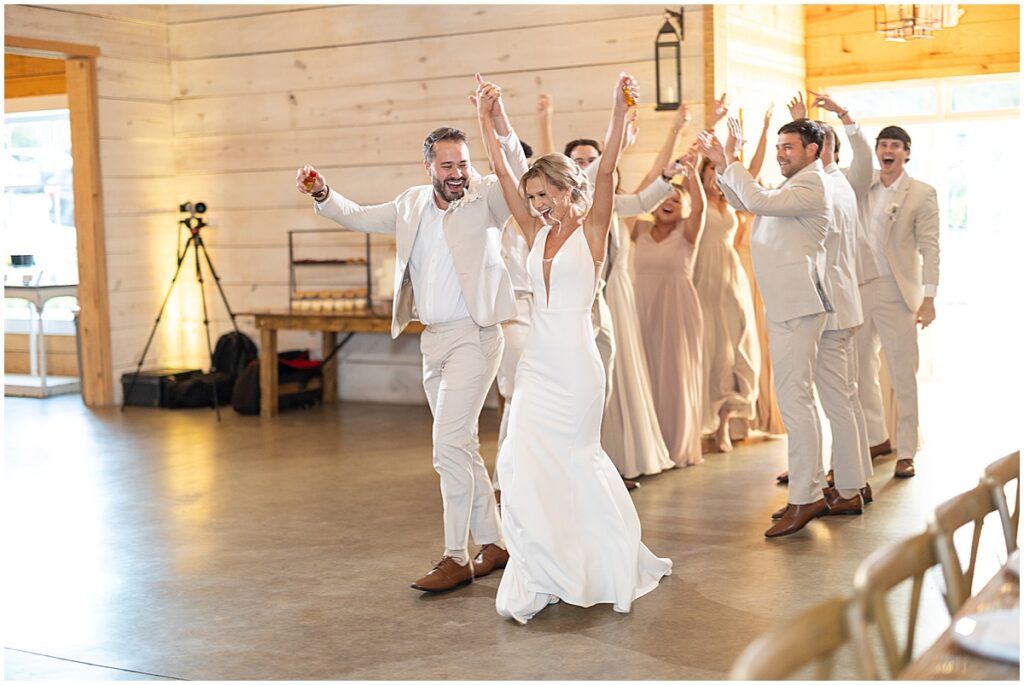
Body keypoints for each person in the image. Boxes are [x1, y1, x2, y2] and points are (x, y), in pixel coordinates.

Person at [295, 74, 527, 593]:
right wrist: (323, 193)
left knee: (445, 446)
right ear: (429, 167)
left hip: (477, 335)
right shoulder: (410, 204)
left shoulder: (489, 197)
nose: (457, 174)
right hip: (433, 340)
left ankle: (455, 556)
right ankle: (497, 543)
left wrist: (497, 115)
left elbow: (517, 169)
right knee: (461, 446)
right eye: (447, 165)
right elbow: (356, 216)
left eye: (463, 164)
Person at [477, 73, 671, 625]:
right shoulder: (533, 231)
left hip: (578, 366)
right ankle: (544, 565)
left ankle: (600, 561)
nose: (536, 203)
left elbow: (606, 169)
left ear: (567, 190)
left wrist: (616, 110)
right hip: (538, 364)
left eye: (545, 194)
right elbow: (502, 172)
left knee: (575, 461)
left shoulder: (593, 229)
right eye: (532, 195)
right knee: (518, 460)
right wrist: (486, 119)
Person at [536, 93, 679, 483]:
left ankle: (596, 463)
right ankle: (572, 467)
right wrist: (549, 118)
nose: (585, 167)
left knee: (605, 383)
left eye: (590, 159)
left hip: (605, 302)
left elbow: (644, 200)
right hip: (572, 313)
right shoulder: (553, 214)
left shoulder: (608, 204)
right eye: (578, 161)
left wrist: (668, 175)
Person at [700, 119, 833, 538]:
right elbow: (746, 201)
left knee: (796, 401)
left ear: (813, 150)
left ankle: (807, 497)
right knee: (796, 400)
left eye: (788, 147)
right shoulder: (792, 186)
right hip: (785, 305)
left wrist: (732, 159)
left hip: (798, 306)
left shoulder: (812, 186)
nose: (780, 153)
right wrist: (723, 165)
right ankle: (805, 490)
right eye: (778, 146)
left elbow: (755, 200)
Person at [821, 95, 939, 479]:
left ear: (906, 154)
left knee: (903, 372)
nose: (888, 151)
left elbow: (930, 247)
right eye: (883, 145)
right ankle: (875, 439)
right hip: (856, 289)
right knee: (858, 371)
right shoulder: (860, 184)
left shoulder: (921, 193)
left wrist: (929, 299)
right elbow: (842, 160)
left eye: (895, 146)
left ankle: (907, 450)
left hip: (897, 292)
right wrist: (843, 120)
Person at [692, 105, 769, 453]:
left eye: (716, 171)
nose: (713, 178)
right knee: (711, 350)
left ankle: (725, 422)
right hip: (702, 277)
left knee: (736, 347)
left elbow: (748, 173)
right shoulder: (694, 203)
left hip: (731, 278)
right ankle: (702, 423)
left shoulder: (731, 203)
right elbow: (689, 164)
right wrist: (712, 123)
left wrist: (764, 132)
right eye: (709, 170)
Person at [632, 150, 707, 468]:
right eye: (665, 198)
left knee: (674, 376)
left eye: (676, 201)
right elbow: (640, 192)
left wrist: (692, 172)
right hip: (641, 309)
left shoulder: (687, 234)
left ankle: (676, 444)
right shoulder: (637, 230)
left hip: (677, 312)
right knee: (645, 373)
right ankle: (651, 444)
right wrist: (662, 174)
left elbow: (700, 207)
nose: (669, 202)